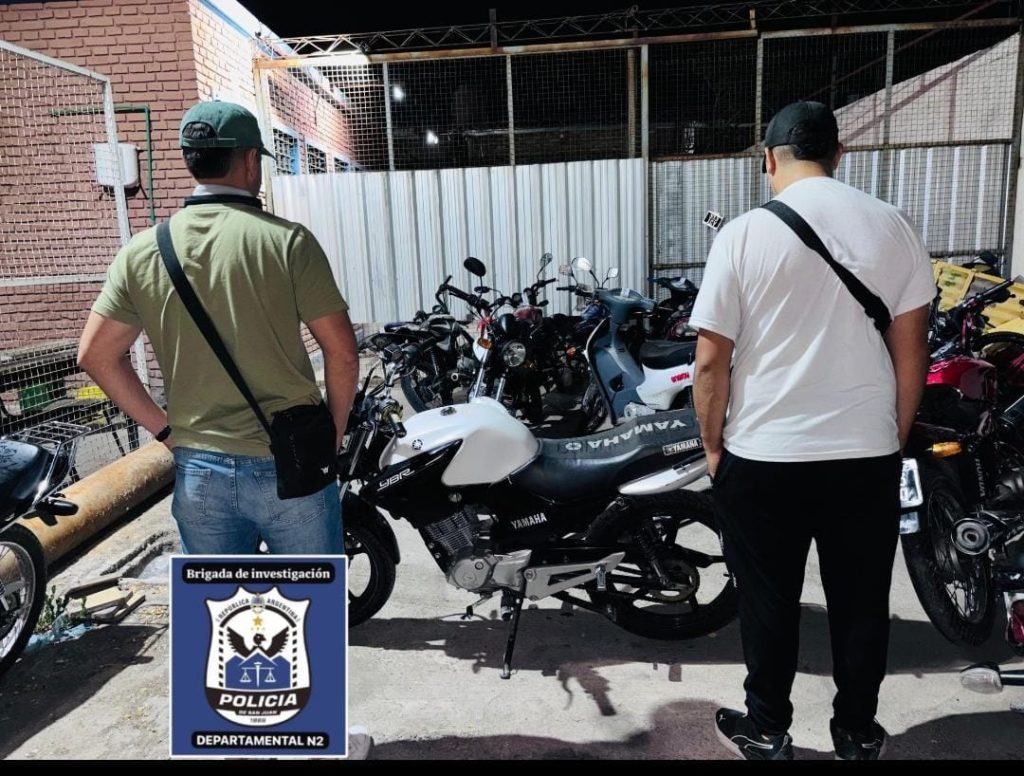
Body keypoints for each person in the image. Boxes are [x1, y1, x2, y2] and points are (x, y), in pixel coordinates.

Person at [690, 100, 934, 761]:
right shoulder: (894, 227)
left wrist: (712, 446)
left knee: (768, 600)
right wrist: (891, 436)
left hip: (764, 456)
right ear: (838, 154)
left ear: (770, 158)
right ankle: (857, 732)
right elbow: (912, 352)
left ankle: (768, 730)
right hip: (864, 454)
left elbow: (710, 362)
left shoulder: (742, 235)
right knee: (862, 602)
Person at [78, 100, 359, 555]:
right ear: (249, 160)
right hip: (291, 463)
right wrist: (333, 433)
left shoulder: (142, 252)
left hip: (199, 472)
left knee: (218, 600)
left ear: (192, 161)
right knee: (309, 598)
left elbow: (95, 356)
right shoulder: (288, 243)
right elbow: (343, 354)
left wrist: (165, 432)